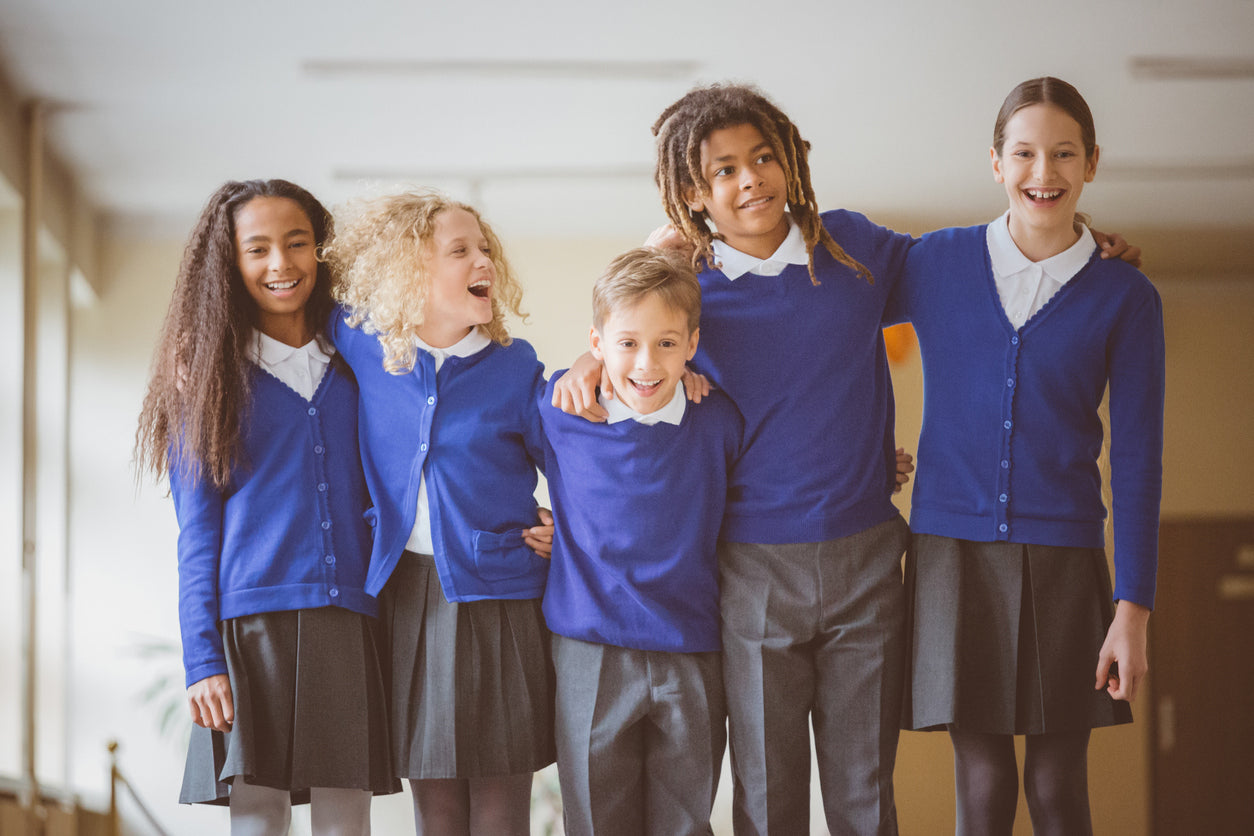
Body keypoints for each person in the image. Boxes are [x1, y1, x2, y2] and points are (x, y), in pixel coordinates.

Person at [553, 82, 1139, 836]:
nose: (750, 179)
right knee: (767, 794)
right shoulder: (687, 293)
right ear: (693, 193)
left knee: (864, 790)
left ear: (791, 163)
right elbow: (626, 336)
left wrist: (1086, 243)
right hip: (751, 568)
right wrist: (609, 316)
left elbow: (984, 261)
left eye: (763, 158)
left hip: (866, 562)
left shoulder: (854, 248)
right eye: (723, 170)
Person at [894, 77, 1164, 836]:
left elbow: (1141, 460)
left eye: (1063, 153)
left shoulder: (1125, 297)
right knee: (979, 787)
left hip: (1065, 560)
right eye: (1024, 153)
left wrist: (1132, 611)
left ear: (1091, 164)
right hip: (950, 553)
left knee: (1056, 786)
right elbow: (821, 294)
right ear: (995, 163)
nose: (1042, 171)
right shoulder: (934, 262)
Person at [135, 179, 395, 835]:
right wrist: (202, 660)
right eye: (258, 249)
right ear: (231, 262)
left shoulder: (361, 359)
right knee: (258, 817)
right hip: (250, 627)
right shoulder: (208, 382)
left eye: (296, 243)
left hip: (349, 613)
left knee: (346, 819)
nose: (281, 264)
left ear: (320, 250)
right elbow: (196, 535)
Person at [322, 189, 554, 836]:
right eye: (460, 250)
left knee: (502, 811)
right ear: (408, 272)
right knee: (437, 812)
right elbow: (301, 290)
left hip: (501, 598)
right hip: (407, 601)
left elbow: (574, 458)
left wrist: (568, 524)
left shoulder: (516, 366)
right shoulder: (364, 344)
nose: (482, 259)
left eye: (484, 248)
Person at [539, 247, 743, 835]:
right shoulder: (560, 408)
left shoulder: (719, 418)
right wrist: (530, 519)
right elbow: (485, 453)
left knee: (686, 821)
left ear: (692, 344)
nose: (646, 362)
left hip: (694, 649)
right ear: (597, 343)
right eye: (626, 343)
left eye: (667, 344)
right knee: (597, 820)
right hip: (589, 648)